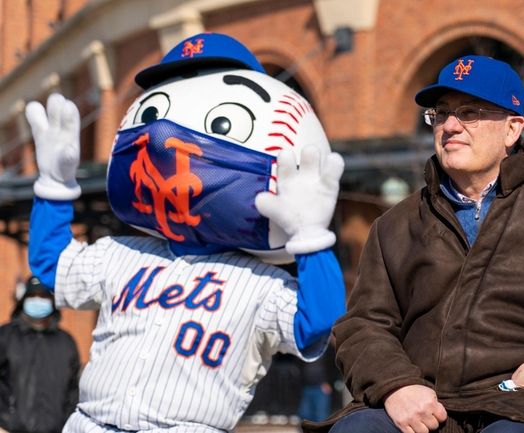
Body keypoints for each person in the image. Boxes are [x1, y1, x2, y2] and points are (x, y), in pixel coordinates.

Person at [303, 55, 524, 433]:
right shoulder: (395, 225)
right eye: (441, 114)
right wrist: (396, 385)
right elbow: (362, 326)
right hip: (421, 405)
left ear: (512, 129)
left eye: (470, 113)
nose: (450, 126)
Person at [24, 33, 345, 432]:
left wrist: (312, 238)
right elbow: (52, 264)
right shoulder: (120, 252)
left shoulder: (264, 285)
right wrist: (54, 187)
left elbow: (318, 322)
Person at [0, 276, 80, 433]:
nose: (38, 300)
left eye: (43, 296)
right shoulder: (5, 336)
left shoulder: (66, 342)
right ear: (24, 300)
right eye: (32, 296)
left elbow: (74, 392)